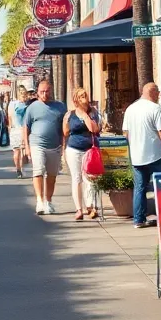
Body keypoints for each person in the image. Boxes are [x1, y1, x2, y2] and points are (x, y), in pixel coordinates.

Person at [121, 82, 161, 228]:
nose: (159, 95)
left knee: (139, 188)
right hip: (155, 155)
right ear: (153, 92)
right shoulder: (155, 108)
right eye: (158, 92)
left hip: (137, 156)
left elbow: (125, 133)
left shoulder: (131, 109)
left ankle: (138, 220)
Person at [22, 80, 66, 215]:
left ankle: (48, 201)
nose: (44, 94)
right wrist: (27, 147)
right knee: (38, 171)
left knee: (52, 176)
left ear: (51, 91)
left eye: (47, 91)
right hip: (37, 144)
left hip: (55, 146)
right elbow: (26, 127)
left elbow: (64, 127)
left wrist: (64, 146)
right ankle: (39, 201)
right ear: (37, 92)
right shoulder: (32, 107)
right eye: (42, 92)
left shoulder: (60, 107)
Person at [64, 88, 102, 221]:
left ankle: (91, 206)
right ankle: (79, 209)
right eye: (81, 96)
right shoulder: (70, 114)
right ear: (76, 99)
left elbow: (95, 129)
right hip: (74, 149)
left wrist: (86, 116)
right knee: (77, 178)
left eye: (85, 95)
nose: (84, 98)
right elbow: (65, 132)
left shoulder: (93, 113)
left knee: (90, 178)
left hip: (89, 150)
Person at [7, 86, 29, 179]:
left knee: (16, 152)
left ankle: (18, 170)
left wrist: (10, 130)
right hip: (23, 130)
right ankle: (21, 168)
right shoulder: (27, 105)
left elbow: (9, 118)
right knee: (23, 152)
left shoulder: (12, 104)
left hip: (14, 130)